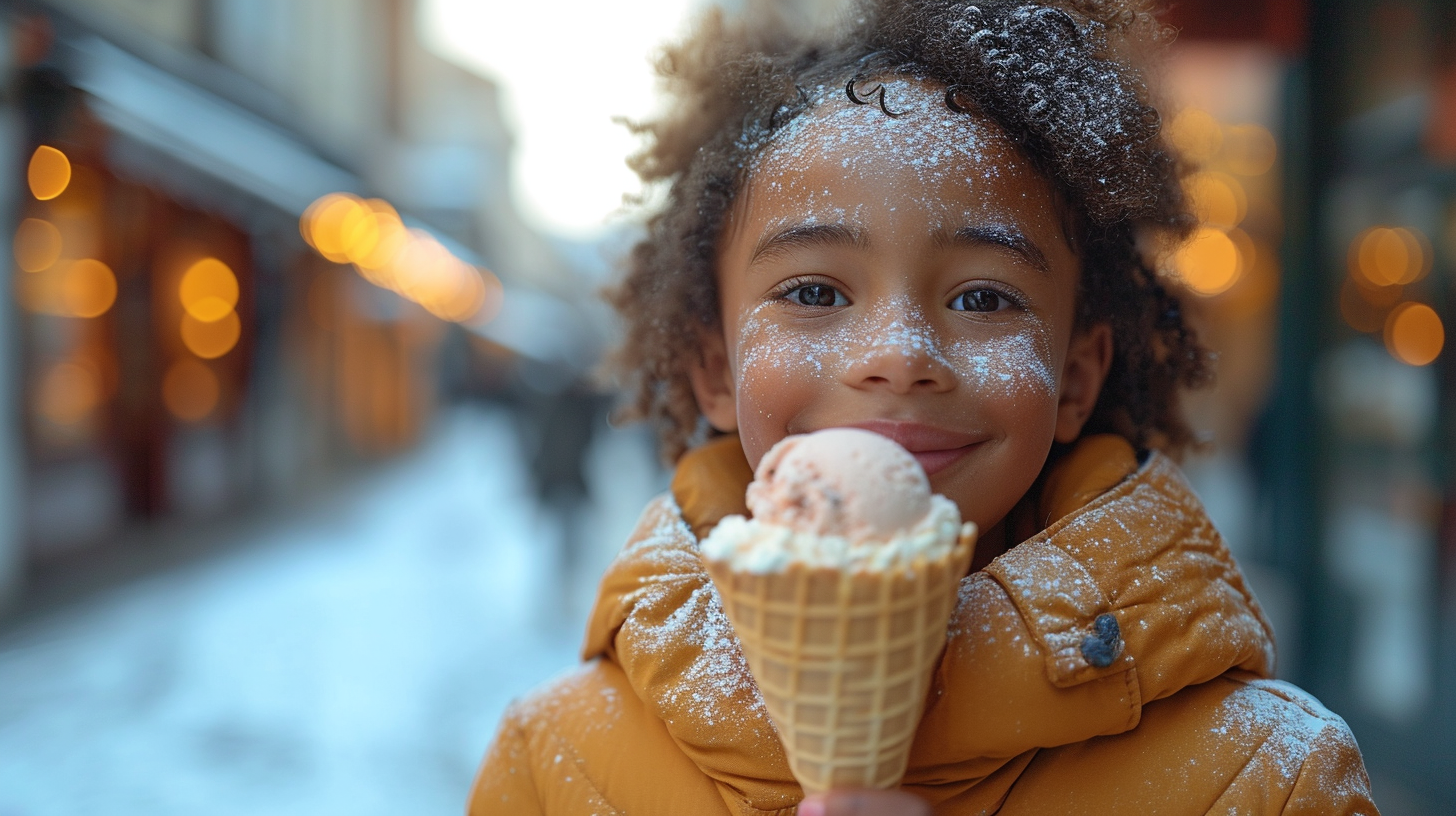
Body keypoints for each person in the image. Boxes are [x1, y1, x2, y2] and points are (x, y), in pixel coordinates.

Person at [468, 1, 1379, 813]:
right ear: (716, 368)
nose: (898, 354)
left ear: (1073, 378)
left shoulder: (1270, 780)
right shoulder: (553, 765)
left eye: (984, 298)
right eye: (816, 292)